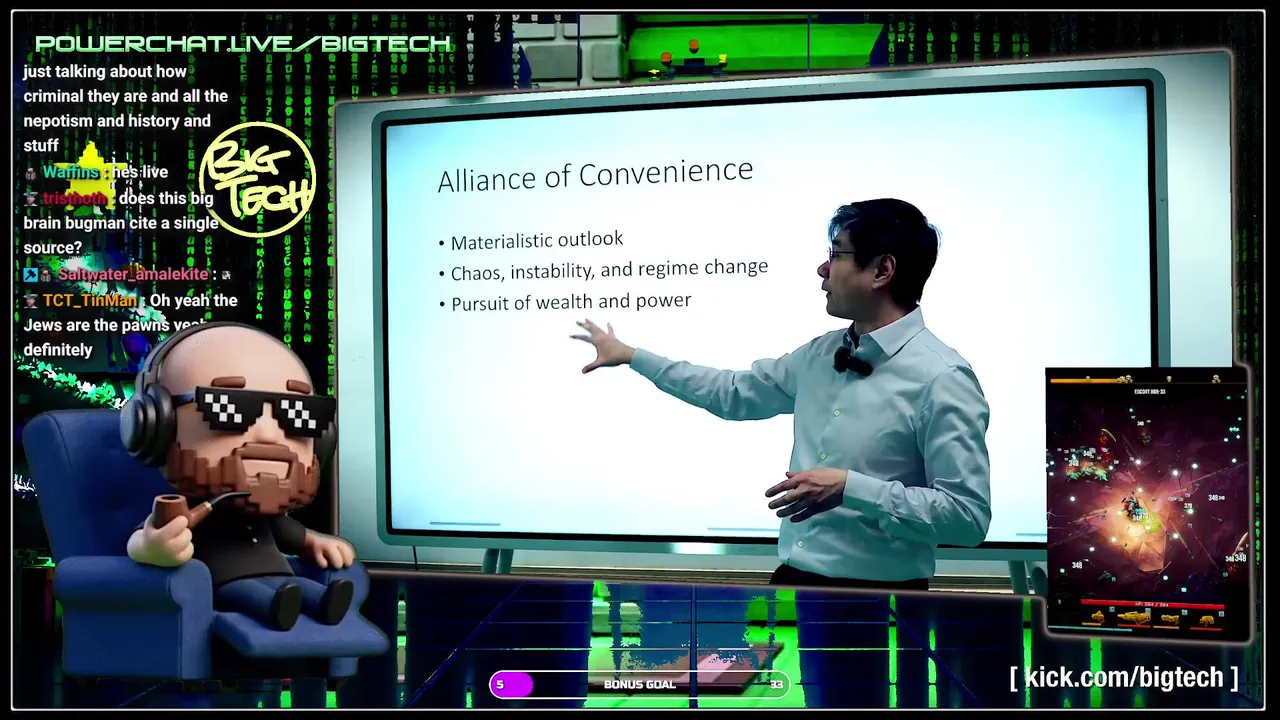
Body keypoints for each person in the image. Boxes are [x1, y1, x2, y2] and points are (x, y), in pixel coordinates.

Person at [569, 198, 992, 589]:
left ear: (882, 270)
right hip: (794, 582)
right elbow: (732, 393)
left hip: (884, 602)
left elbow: (967, 518)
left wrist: (852, 488)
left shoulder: (942, 377)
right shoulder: (820, 354)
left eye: (836, 254)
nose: (822, 269)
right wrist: (632, 356)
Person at [123, 322, 357, 631]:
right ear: (155, 425)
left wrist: (315, 541)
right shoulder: (190, 508)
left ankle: (322, 602)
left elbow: (289, 533)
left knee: (300, 589)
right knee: (252, 594)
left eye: (300, 413)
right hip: (224, 580)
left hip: (280, 572)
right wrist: (152, 547)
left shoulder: (268, 515)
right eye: (228, 407)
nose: (268, 434)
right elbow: (142, 538)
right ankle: (276, 608)